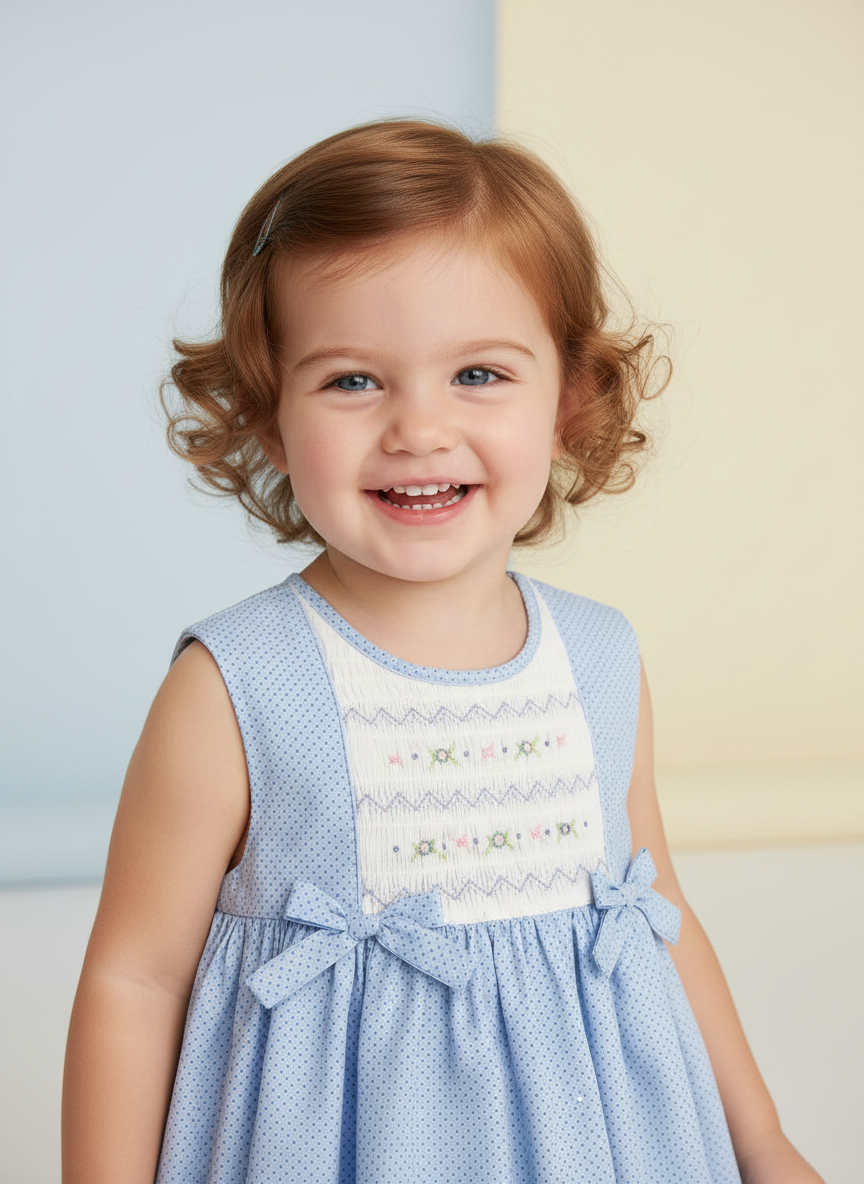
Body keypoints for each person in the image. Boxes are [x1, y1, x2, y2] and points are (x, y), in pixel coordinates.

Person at [62, 120, 823, 1184]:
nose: (419, 427)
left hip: (601, 1141)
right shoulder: (238, 684)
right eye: (352, 382)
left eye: (476, 372)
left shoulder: (598, 656)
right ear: (270, 420)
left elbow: (657, 914)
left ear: (569, 401)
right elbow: (136, 978)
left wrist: (761, 1140)